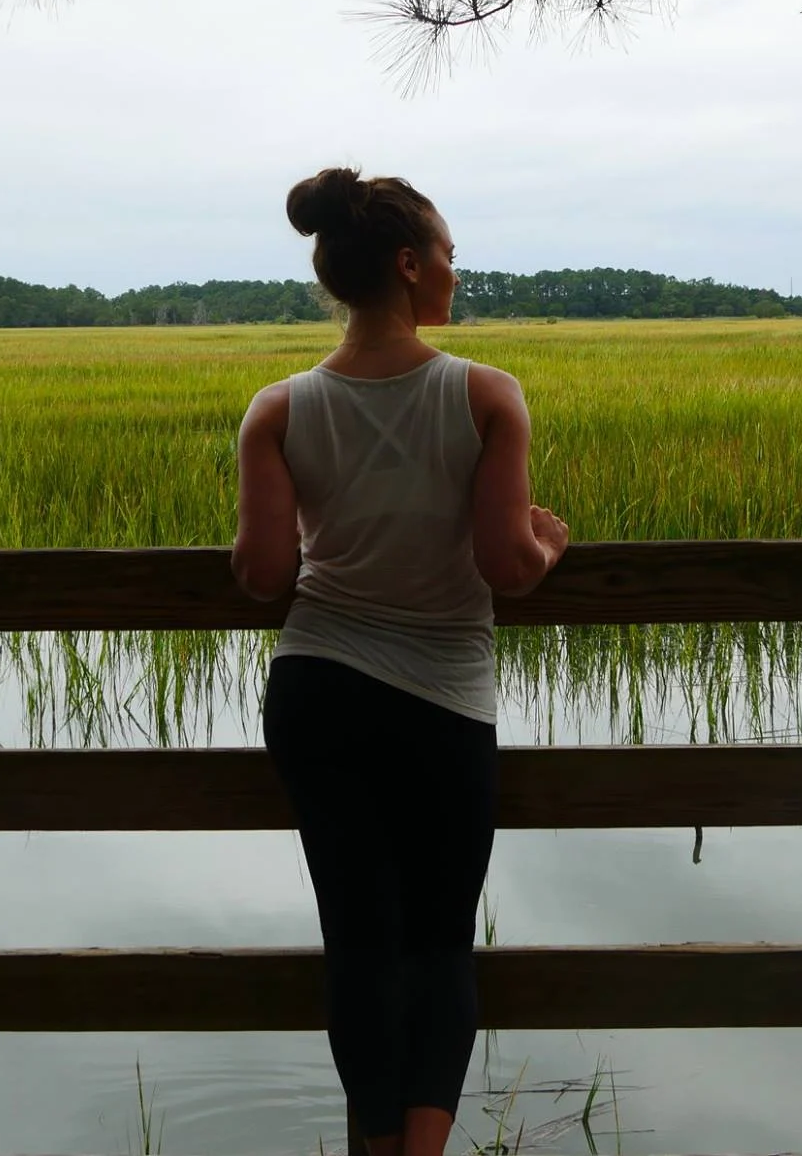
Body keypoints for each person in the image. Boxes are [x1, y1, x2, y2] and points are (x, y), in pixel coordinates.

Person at [231, 166, 571, 1156]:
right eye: (451, 258)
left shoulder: (277, 408)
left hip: (317, 690)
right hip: (440, 702)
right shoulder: (484, 394)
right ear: (411, 266)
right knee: (435, 943)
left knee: (358, 943)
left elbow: (260, 577)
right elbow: (507, 566)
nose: (457, 277)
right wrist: (550, 544)